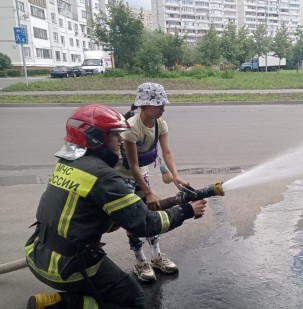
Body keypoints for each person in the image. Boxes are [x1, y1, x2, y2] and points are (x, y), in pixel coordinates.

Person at [25, 104, 206, 309]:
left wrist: (169, 201)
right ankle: (61, 304)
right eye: (114, 135)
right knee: (133, 300)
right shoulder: (103, 176)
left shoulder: (67, 164)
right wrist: (187, 210)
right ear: (95, 138)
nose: (121, 140)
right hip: (66, 266)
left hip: (37, 251)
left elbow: (87, 211)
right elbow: (146, 224)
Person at [116, 82, 188, 282]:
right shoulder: (130, 128)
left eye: (163, 104)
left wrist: (176, 176)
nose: (163, 109)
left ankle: (156, 256)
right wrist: (148, 192)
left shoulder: (160, 124)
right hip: (124, 177)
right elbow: (133, 166)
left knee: (150, 212)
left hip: (142, 174)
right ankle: (140, 260)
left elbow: (166, 152)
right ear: (145, 106)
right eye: (159, 105)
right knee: (134, 217)